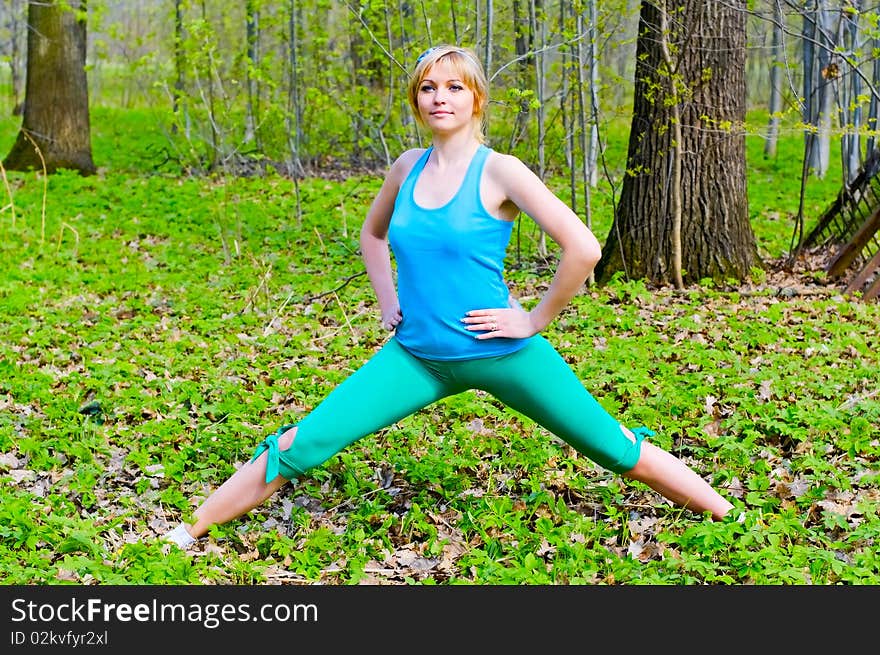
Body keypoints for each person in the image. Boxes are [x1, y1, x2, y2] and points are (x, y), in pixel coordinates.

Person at [162, 44, 733, 550]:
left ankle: (728, 519)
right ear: (417, 100)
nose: (441, 98)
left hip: (503, 353)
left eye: (455, 87)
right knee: (302, 442)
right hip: (417, 357)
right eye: (429, 88)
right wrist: (387, 301)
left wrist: (533, 320)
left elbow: (583, 248)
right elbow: (372, 234)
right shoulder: (407, 168)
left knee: (613, 448)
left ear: (477, 99)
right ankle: (188, 533)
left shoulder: (502, 172)